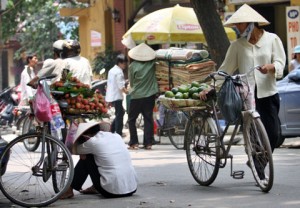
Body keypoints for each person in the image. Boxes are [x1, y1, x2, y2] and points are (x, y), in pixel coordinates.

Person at [199, 4, 286, 181]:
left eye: (240, 25)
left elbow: (280, 63)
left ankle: (258, 160)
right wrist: (213, 86)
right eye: (237, 25)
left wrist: (271, 67)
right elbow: (226, 69)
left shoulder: (272, 39)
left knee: (274, 134)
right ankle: (259, 166)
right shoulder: (237, 46)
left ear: (251, 24)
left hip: (268, 94)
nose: (238, 29)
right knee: (254, 134)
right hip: (246, 96)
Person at [60, 121, 138, 199]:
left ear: (86, 135)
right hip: (132, 188)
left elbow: (74, 150)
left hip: (111, 191)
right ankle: (94, 187)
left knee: (87, 157)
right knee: (99, 156)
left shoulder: (93, 142)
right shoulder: (117, 136)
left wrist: (82, 144)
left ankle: (69, 190)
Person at [127, 43, 159, 150]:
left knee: (131, 119)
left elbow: (131, 82)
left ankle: (134, 143)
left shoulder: (132, 66)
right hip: (150, 96)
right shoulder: (152, 64)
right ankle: (148, 143)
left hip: (136, 96)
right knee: (148, 118)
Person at [105, 54, 128, 137]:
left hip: (111, 95)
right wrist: (127, 92)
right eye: (124, 64)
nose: (125, 66)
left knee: (120, 112)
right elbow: (121, 86)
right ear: (119, 63)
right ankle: (118, 132)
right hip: (117, 96)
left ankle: (112, 129)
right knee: (120, 114)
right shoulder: (119, 72)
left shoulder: (112, 70)